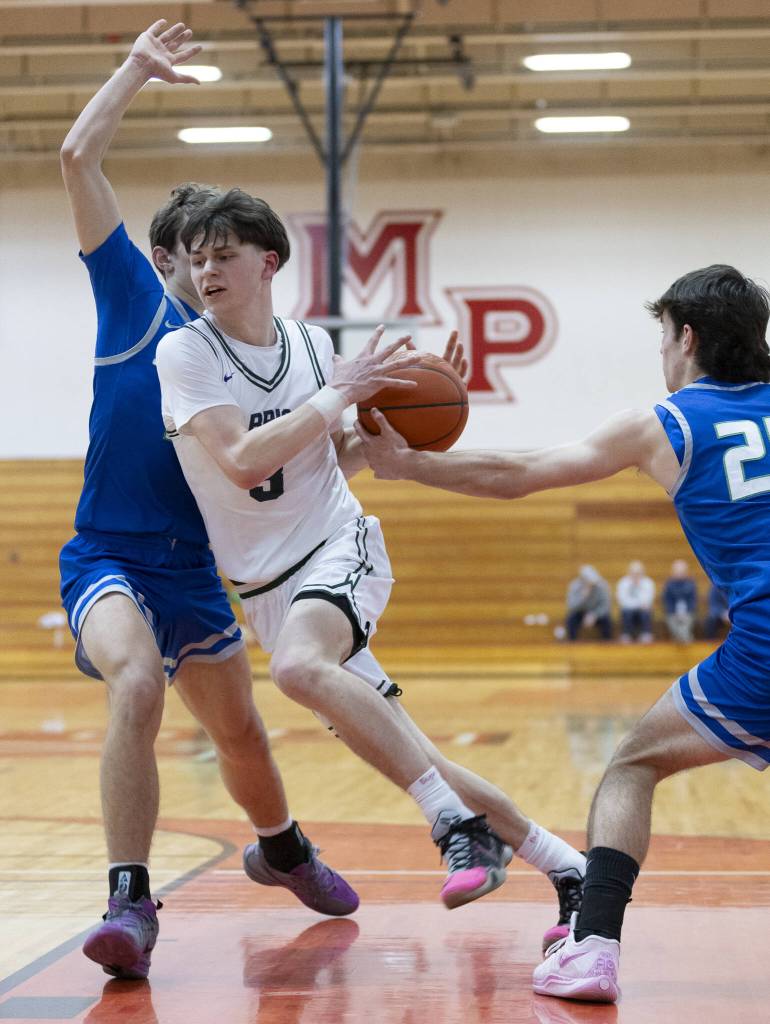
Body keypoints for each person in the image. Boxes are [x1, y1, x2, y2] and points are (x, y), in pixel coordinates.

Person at [155, 187, 588, 949]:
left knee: (295, 668)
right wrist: (338, 399)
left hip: (336, 546)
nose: (207, 272)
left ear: (268, 262)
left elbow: (340, 457)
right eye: (197, 260)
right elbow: (243, 457)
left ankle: (454, 826)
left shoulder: (314, 348)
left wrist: (414, 422)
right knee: (413, 747)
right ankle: (568, 869)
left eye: (224, 256)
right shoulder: (187, 351)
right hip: (263, 588)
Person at [355, 263, 770, 1004]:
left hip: (762, 649)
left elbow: (523, 471)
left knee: (632, 768)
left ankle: (594, 949)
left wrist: (410, 464)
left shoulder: (668, 423)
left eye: (664, 338)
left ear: (688, 337)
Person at [59, 20, 360, 982]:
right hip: (109, 552)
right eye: (184, 250)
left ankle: (279, 846)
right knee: (136, 683)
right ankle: (128, 901)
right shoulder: (135, 307)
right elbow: (76, 154)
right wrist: (136, 72)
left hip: (198, 566)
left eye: (213, 249)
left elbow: (303, 454)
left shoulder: (252, 352)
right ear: (162, 259)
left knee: (241, 731)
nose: (198, 264)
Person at [564, 566, 612, 641]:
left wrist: (594, 614)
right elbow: (571, 606)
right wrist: (582, 598)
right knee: (571, 619)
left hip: (596, 612)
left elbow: (606, 606)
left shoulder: (602, 586)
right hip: (580, 612)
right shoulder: (575, 586)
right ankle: (572, 642)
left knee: (606, 620)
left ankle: (607, 643)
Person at [615, 560, 655, 643]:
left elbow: (648, 600)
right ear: (629, 572)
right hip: (629, 609)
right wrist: (638, 604)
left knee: (646, 612)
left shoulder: (648, 583)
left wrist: (638, 586)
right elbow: (622, 601)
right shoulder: (623, 582)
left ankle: (646, 634)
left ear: (642, 573)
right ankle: (626, 634)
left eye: (638, 573)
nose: (636, 575)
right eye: (633, 573)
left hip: (642, 610)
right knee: (626, 611)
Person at [662, 559, 698, 643]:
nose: (679, 573)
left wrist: (686, 613)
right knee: (674, 625)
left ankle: (682, 640)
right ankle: (687, 639)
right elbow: (667, 601)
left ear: (686, 572)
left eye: (682, 571)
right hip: (672, 613)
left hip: (688, 613)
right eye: (677, 571)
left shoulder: (691, 584)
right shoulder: (668, 585)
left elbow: (693, 601)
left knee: (684, 626)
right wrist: (674, 613)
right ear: (673, 572)